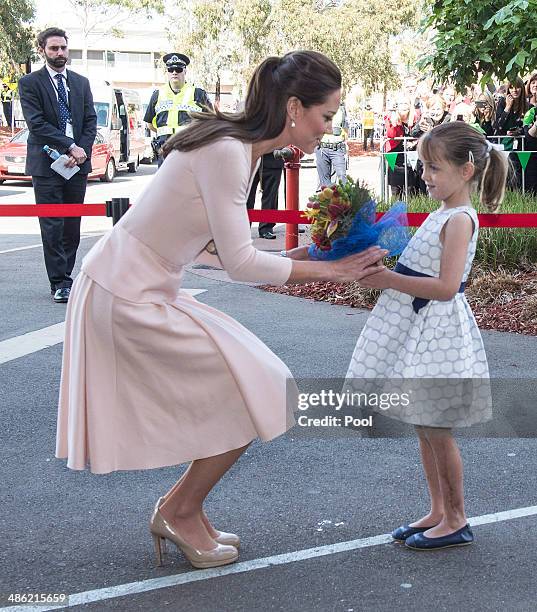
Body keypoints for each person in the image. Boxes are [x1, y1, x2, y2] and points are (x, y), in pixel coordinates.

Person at [56, 51, 388, 570]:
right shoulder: (231, 151)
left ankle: (182, 510)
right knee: (256, 384)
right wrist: (336, 272)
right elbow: (238, 263)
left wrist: (306, 255)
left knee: (257, 385)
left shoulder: (243, 149)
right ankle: (181, 510)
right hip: (125, 293)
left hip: (141, 288)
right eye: (326, 116)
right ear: (295, 108)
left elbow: (210, 248)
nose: (329, 128)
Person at [346, 122, 508, 550]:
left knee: (437, 427)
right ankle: (438, 510)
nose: (424, 175)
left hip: (439, 331)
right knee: (423, 424)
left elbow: (447, 287)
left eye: (433, 167)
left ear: (466, 170)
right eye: (423, 166)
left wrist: (388, 280)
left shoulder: (459, 220)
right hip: (422, 328)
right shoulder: (441, 213)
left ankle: (456, 518)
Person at [18, 27, 97, 303]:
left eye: (63, 48)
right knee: (52, 224)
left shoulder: (81, 82)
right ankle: (60, 282)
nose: (60, 53)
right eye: (53, 48)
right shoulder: (29, 83)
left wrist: (81, 150)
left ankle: (66, 274)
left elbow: (89, 121)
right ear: (42, 50)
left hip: (77, 164)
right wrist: (68, 145)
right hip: (47, 164)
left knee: (72, 224)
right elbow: (36, 124)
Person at [144, 53, 213, 166]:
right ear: (167, 72)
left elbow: (211, 122)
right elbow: (150, 124)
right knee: (165, 183)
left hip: (190, 150)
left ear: (185, 71)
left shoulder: (198, 94)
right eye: (171, 69)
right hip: (165, 151)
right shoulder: (157, 95)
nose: (174, 72)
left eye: (178, 69)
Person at [246, 151, 284, 239]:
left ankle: (266, 227)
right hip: (251, 160)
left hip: (273, 158)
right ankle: (244, 227)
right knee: (247, 197)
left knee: (271, 196)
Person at [314, 101, 348, 187]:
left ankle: (344, 198)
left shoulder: (341, 110)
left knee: (342, 176)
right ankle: (326, 199)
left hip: (337, 148)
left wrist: (345, 142)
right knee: (324, 181)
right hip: (322, 148)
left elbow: (345, 128)